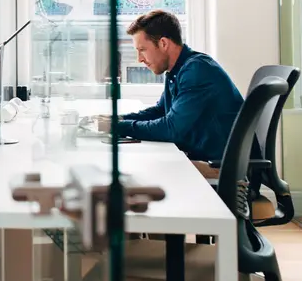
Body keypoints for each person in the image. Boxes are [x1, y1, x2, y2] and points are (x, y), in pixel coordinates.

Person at [97, 10, 245, 170]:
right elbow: (160, 111)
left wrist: (118, 127)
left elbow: (171, 129)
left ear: (163, 43)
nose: (139, 59)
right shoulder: (178, 70)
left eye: (142, 50)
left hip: (226, 174)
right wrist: (117, 119)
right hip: (205, 161)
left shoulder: (197, 70)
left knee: (140, 172)